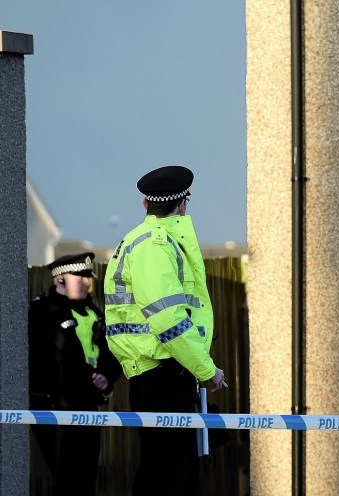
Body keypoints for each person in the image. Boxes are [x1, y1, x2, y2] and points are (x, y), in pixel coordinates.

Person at [104, 165, 227, 496]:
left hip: (162, 373)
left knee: (172, 474)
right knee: (166, 478)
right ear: (183, 204)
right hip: (162, 374)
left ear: (146, 204)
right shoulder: (155, 247)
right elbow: (169, 322)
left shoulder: (142, 241)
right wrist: (205, 369)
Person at [28, 252, 122, 495]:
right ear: (60, 280)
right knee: (68, 478)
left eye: (88, 277)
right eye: (79, 276)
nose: (87, 282)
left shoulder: (95, 313)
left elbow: (112, 350)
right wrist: (90, 377)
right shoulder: (43, 311)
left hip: (89, 404)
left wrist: (107, 378)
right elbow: (51, 357)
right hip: (56, 405)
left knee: (86, 476)